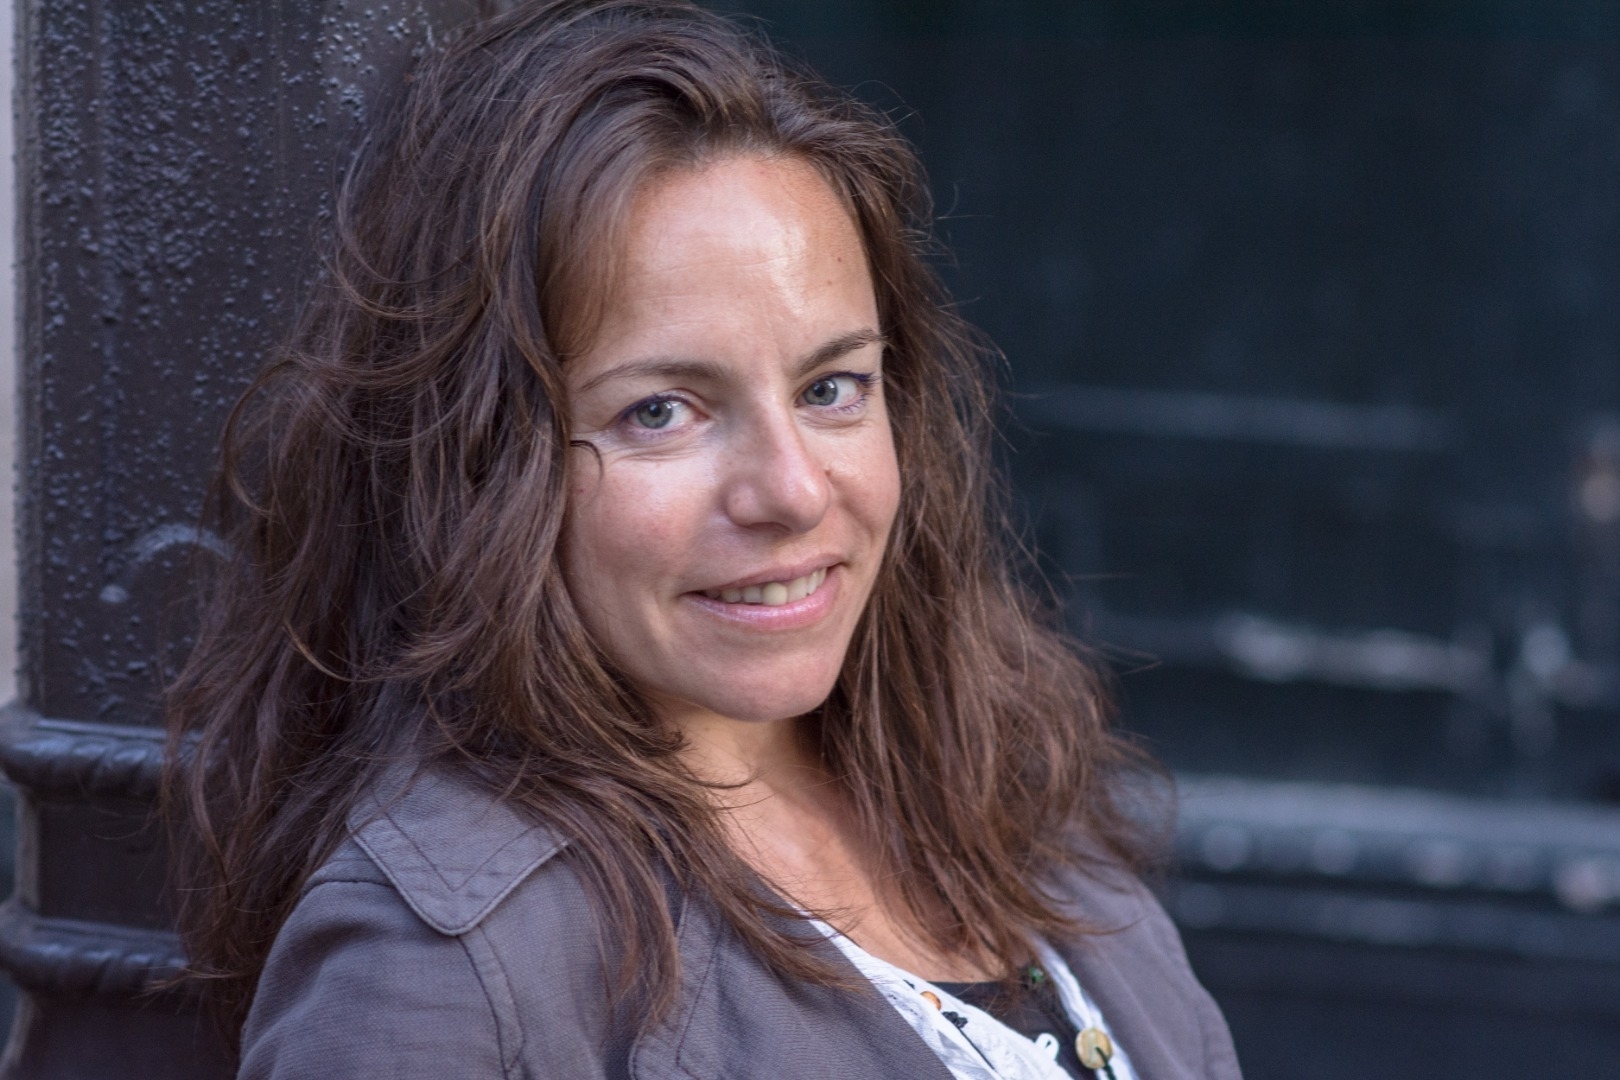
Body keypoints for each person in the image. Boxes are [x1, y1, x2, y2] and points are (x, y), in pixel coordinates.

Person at [164, 2, 1242, 1078]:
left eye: (831, 387)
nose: (792, 491)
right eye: (661, 411)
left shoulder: (984, 781)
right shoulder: (451, 966)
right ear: (479, 465)